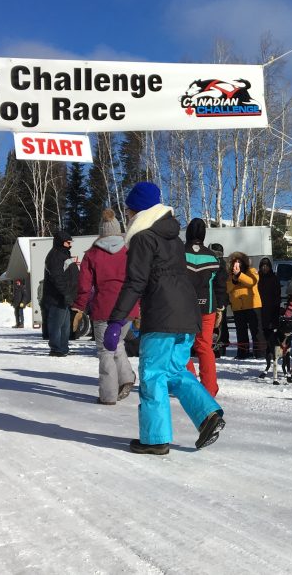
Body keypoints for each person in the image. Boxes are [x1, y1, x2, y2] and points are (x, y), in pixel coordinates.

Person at [102, 181, 224, 455]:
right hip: (188, 314)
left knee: (154, 374)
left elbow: (135, 282)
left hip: (162, 316)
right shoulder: (174, 239)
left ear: (137, 210)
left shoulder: (144, 238)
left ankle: (155, 438)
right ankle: (208, 414)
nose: (128, 215)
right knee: (174, 371)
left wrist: (116, 320)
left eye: (129, 210)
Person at [74, 209, 138, 404]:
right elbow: (139, 279)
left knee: (105, 351)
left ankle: (108, 395)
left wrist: (78, 308)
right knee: (117, 343)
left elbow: (84, 286)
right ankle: (127, 377)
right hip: (127, 308)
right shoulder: (129, 251)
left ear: (101, 231)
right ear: (118, 230)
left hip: (104, 309)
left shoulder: (92, 254)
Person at [184, 218, 227, 396]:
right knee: (204, 346)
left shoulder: (178, 254)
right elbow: (220, 286)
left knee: (182, 346)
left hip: (182, 308)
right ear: (203, 235)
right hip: (207, 307)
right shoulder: (213, 258)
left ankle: (189, 382)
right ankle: (210, 388)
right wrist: (221, 309)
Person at [43, 230, 80, 356]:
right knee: (56, 325)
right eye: (68, 242)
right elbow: (57, 278)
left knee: (65, 326)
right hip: (57, 298)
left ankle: (63, 348)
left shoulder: (63, 255)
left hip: (65, 298)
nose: (70, 245)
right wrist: (66, 293)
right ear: (61, 242)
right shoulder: (55, 256)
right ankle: (56, 348)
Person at [226, 251, 267, 360]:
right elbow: (228, 288)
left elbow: (252, 282)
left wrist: (239, 275)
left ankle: (260, 353)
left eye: (239, 262)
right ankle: (242, 353)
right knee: (240, 332)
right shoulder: (230, 276)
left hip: (253, 306)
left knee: (256, 331)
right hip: (238, 307)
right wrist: (234, 279)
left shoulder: (251, 271)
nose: (237, 264)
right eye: (235, 262)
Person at [257, 257, 282, 376]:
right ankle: (263, 351)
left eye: (266, 266)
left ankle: (274, 352)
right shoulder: (258, 278)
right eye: (262, 266)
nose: (264, 268)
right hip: (260, 307)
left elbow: (278, 294)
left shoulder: (274, 278)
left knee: (272, 332)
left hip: (272, 308)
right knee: (261, 330)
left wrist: (276, 307)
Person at [209, 243, 229, 358]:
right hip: (216, 299)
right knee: (216, 325)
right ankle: (217, 348)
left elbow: (220, 286)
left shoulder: (220, 265)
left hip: (218, 300)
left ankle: (218, 349)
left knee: (218, 326)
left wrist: (220, 303)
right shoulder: (217, 264)